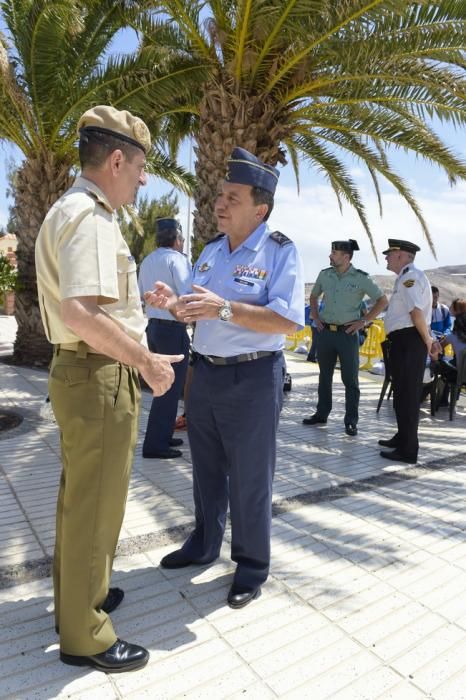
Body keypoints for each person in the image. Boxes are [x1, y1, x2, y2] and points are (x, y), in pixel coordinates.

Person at [35, 106, 183, 673]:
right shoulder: (90, 217)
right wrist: (146, 361)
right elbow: (81, 312)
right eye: (141, 167)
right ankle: (86, 635)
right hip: (97, 376)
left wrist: (144, 318)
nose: (144, 180)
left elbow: (95, 306)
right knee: (95, 508)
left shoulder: (72, 211)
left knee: (82, 502)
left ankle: (80, 598)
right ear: (117, 160)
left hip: (85, 373)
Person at [144, 147, 304, 609]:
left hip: (254, 377)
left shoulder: (279, 251)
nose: (219, 203)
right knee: (206, 469)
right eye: (219, 195)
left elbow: (288, 320)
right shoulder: (212, 252)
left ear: (260, 208)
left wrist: (225, 308)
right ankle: (204, 544)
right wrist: (172, 303)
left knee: (250, 477)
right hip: (207, 374)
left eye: (232, 197)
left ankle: (251, 565)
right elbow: (197, 310)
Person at [302, 240, 387, 436]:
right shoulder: (325, 274)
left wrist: (364, 321)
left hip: (347, 335)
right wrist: (315, 315)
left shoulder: (361, 278)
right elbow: (314, 296)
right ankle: (321, 414)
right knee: (324, 377)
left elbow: (382, 300)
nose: (330, 256)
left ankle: (351, 421)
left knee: (350, 380)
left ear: (346, 257)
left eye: (334, 253)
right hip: (325, 334)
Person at [378, 239, 439, 464]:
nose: (386, 258)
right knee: (402, 392)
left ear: (402, 256)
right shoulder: (406, 278)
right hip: (405, 340)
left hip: (409, 341)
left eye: (389, 254)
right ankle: (402, 437)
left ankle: (408, 450)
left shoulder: (409, 278)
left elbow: (416, 313)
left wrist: (428, 342)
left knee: (408, 395)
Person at [138, 218, 192, 459]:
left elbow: (141, 293)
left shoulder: (148, 260)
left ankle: (162, 436)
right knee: (170, 387)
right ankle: (155, 444)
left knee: (163, 385)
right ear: (177, 239)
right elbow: (187, 293)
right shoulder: (177, 260)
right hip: (172, 328)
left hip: (154, 327)